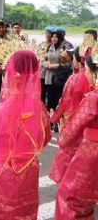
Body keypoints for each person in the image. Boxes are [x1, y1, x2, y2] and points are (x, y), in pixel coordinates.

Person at [0, 50, 52, 220]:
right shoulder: (40, 110)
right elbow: (44, 139)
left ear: (11, 76)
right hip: (29, 171)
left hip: (3, 174)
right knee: (25, 213)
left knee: (0, 214)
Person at [54, 53, 98, 219]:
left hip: (92, 152)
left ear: (95, 72)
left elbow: (73, 127)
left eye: (86, 69)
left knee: (71, 200)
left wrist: (62, 136)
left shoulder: (94, 97)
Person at [49, 31, 96, 185]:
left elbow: (63, 103)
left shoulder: (74, 79)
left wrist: (53, 119)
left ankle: (67, 183)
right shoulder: (92, 80)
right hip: (90, 127)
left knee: (69, 155)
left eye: (73, 58)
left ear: (79, 60)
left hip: (73, 122)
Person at [42, 31, 72, 116]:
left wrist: (58, 65)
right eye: (52, 37)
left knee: (57, 99)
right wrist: (46, 65)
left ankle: (57, 120)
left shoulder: (64, 49)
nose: (53, 39)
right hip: (48, 76)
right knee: (49, 99)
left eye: (56, 37)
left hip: (59, 78)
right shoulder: (49, 47)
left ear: (60, 38)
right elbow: (42, 60)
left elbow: (68, 64)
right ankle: (49, 121)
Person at [39, 26, 55, 104]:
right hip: (42, 71)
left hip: (51, 71)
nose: (48, 35)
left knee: (50, 92)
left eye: (49, 33)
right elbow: (39, 56)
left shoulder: (55, 45)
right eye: (47, 33)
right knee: (41, 91)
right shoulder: (42, 44)